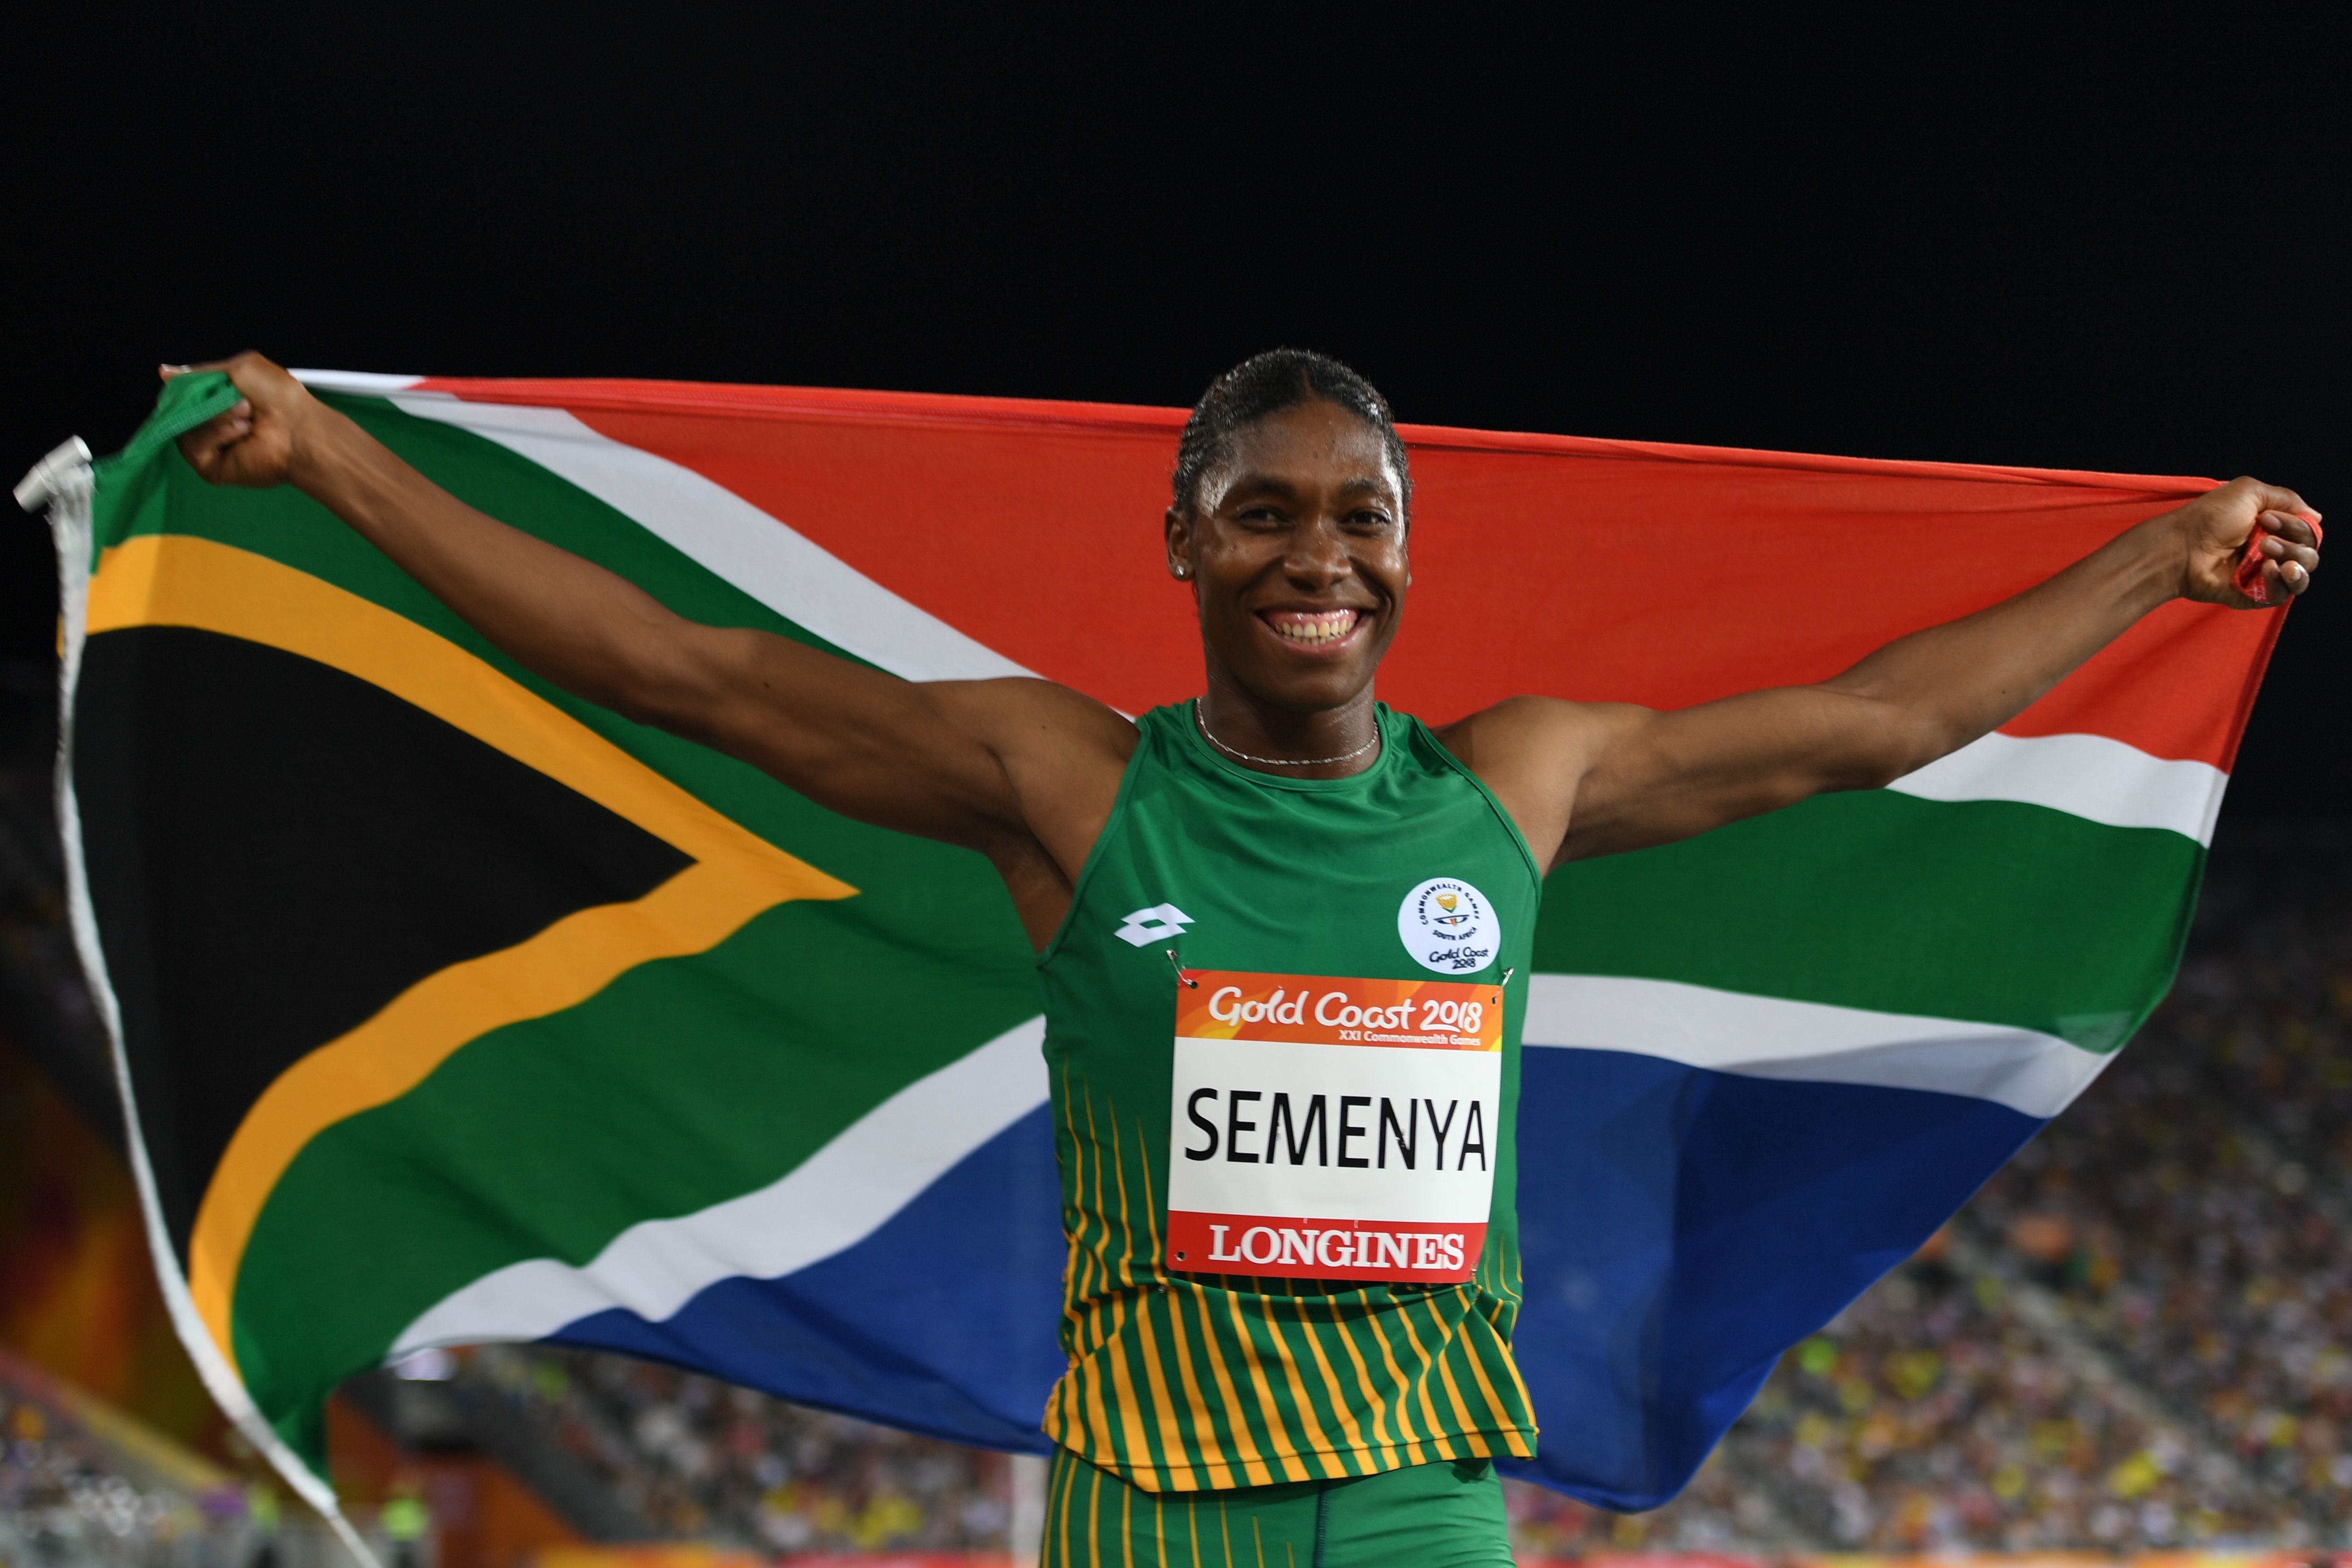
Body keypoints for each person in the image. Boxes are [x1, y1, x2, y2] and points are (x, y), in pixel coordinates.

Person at [166, 349, 2318, 1568]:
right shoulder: (1072, 787)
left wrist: (2150, 558)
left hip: (1417, 1502)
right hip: (1142, 1505)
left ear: (1406, 549)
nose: (1319, 552)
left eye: (1359, 514)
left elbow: (1882, 722)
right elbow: (682, 669)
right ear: (1186, 539)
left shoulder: (1521, 782)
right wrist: (342, 459)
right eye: (1268, 511)